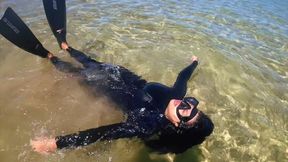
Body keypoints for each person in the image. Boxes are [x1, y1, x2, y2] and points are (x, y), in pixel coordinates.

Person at [0, 2, 214, 155]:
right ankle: (66, 46)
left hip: (106, 88)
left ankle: (51, 57)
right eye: (191, 103)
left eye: (186, 111)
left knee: (77, 74)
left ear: (178, 124)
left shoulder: (146, 124)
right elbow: (182, 78)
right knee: (94, 63)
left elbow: (103, 133)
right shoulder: (177, 95)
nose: (185, 104)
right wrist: (194, 63)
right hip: (123, 75)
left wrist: (55, 144)